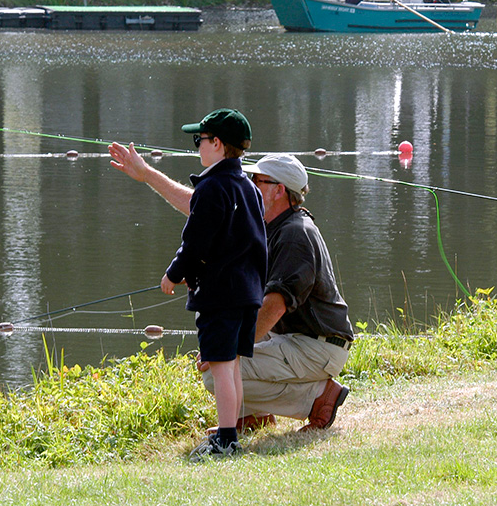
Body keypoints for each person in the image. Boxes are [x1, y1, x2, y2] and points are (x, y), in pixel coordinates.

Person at [108, 140, 354, 436]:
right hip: (293, 338)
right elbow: (202, 209)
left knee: (218, 367)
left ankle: (316, 398)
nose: (249, 184)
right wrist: (147, 173)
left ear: (279, 191)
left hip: (318, 345)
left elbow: (274, 307)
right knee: (223, 353)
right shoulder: (266, 221)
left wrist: (232, 348)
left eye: (258, 180)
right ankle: (254, 416)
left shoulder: (295, 236)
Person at [154, 108, 267, 457]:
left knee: (220, 366)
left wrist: (173, 274)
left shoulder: (211, 188)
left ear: (216, 143)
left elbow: (196, 243)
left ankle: (227, 439)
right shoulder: (250, 188)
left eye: (199, 140)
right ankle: (230, 433)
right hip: (247, 292)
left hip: (220, 296)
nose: (197, 146)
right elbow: (251, 244)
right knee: (230, 363)